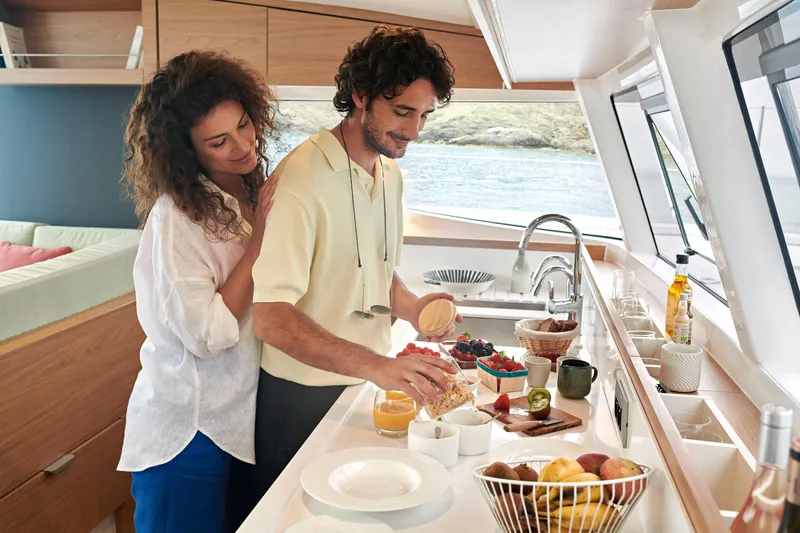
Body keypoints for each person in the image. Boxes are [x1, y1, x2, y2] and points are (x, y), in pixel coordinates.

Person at [250, 24, 459, 498]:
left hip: (360, 388)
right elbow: (270, 318)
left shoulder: (388, 173)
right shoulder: (301, 179)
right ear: (361, 96)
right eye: (402, 111)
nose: (413, 130)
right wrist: (377, 367)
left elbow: (375, 272)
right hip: (299, 399)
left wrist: (413, 306)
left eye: (423, 115)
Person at [117, 50, 279, 533]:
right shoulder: (177, 218)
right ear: (187, 151)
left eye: (245, 125)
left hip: (234, 422)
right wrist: (261, 239)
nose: (243, 146)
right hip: (187, 431)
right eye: (218, 141)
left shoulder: (246, 192)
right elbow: (206, 335)